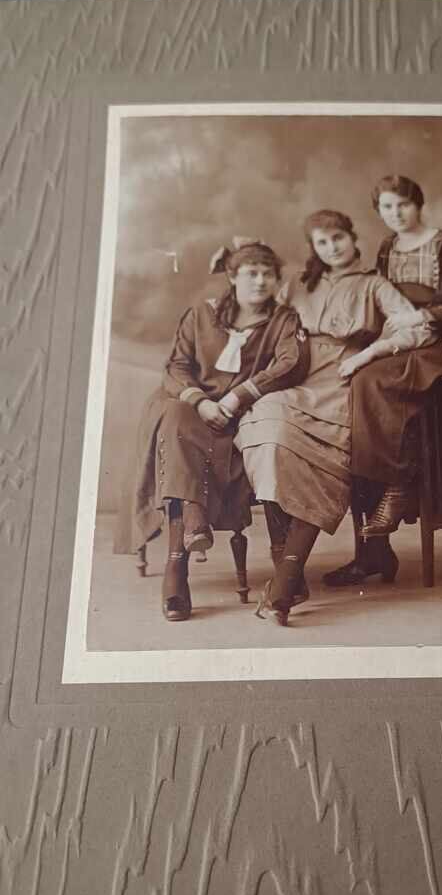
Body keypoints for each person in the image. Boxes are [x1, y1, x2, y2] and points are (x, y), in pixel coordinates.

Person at [235, 209, 436, 625]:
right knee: (265, 430)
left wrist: (369, 353)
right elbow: (257, 311)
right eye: (322, 243)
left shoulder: (374, 284)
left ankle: (285, 584)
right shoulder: (297, 284)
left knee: (322, 462)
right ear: (314, 248)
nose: (332, 248)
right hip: (295, 375)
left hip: (344, 380)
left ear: (351, 237)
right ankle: (286, 569)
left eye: (338, 238)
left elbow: (418, 329)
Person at [127, 239, 309, 621]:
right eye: (251, 273)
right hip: (198, 410)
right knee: (174, 417)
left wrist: (238, 396)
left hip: (245, 414)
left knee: (264, 436)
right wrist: (200, 401)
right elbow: (176, 366)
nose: (260, 281)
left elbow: (290, 363)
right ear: (233, 276)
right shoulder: (202, 314)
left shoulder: (283, 320)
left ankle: (193, 545)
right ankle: (181, 556)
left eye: (268, 274)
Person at [323, 173, 442, 588]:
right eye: (387, 207)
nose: (396, 214)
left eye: (403, 205)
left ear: (419, 204)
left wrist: (422, 316)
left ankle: (397, 487)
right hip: (406, 342)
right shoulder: (387, 247)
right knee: (356, 383)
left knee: (370, 382)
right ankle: (372, 550)